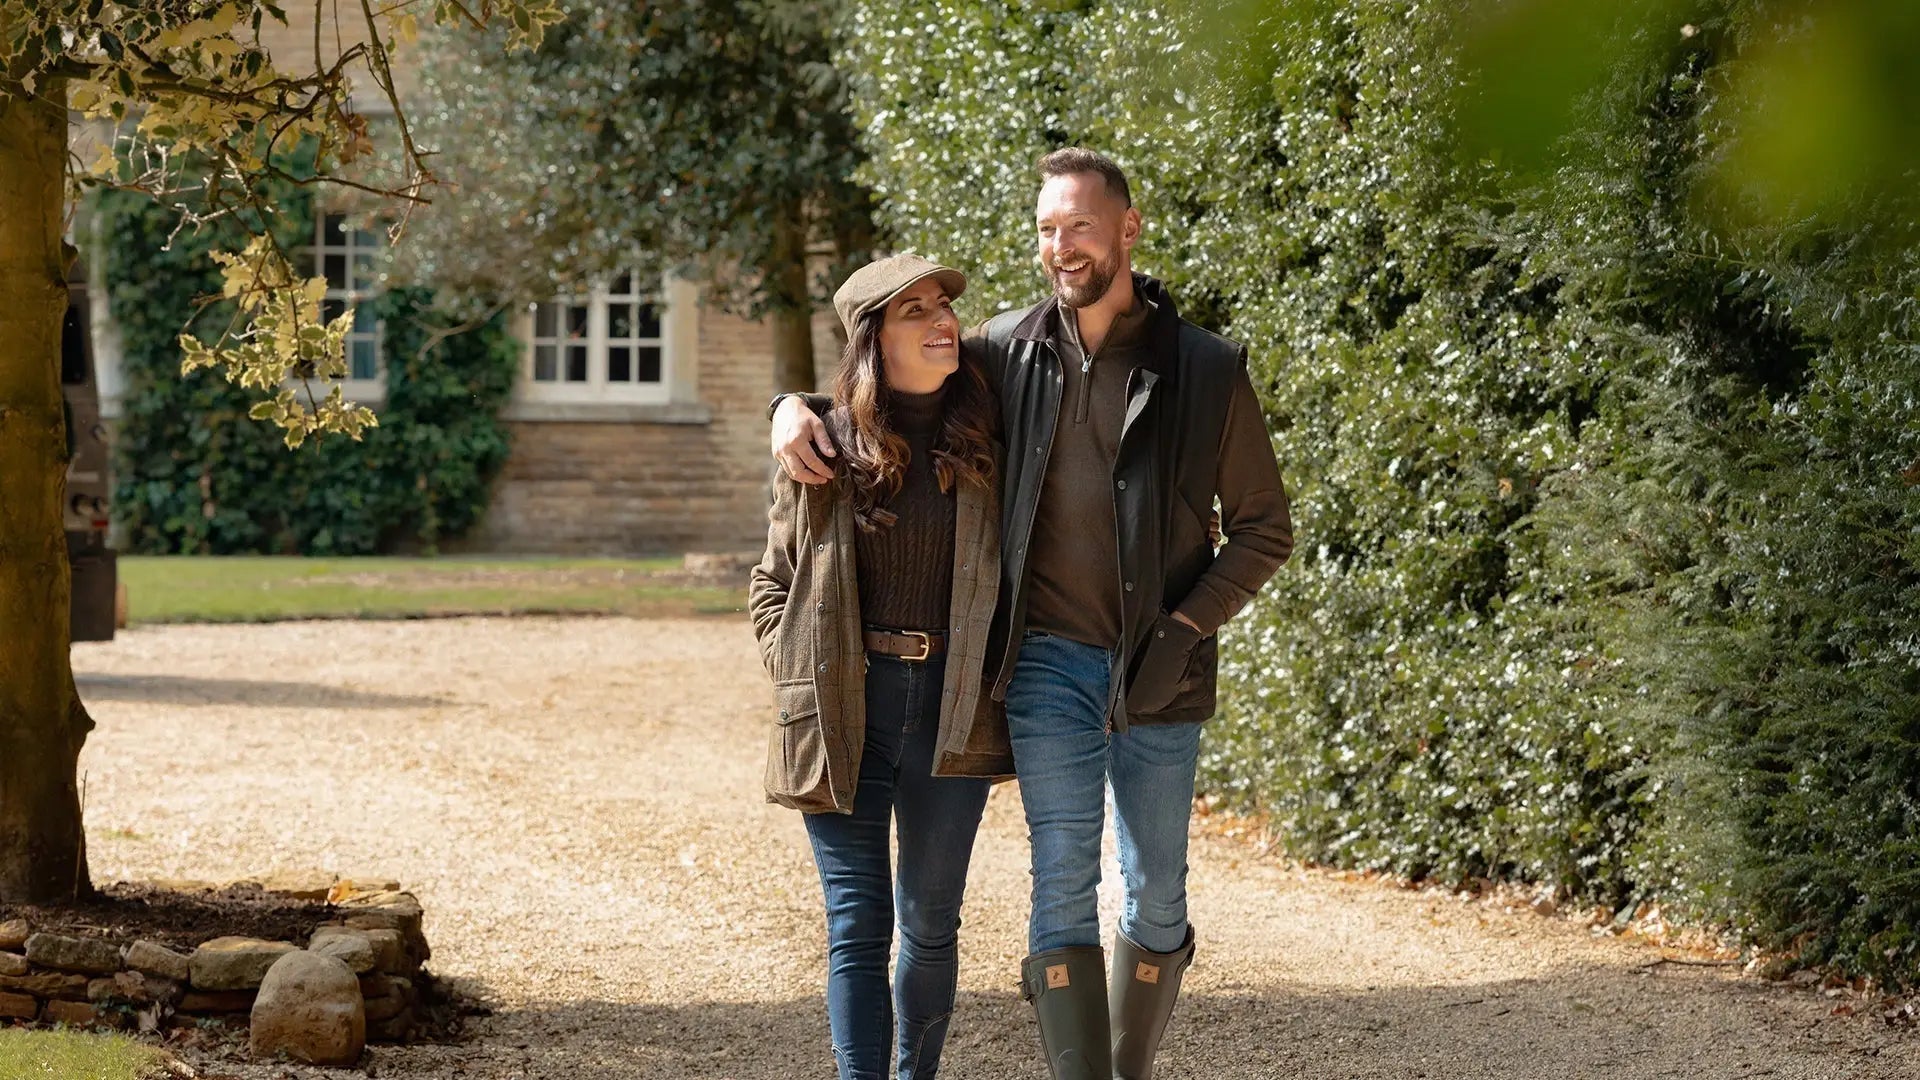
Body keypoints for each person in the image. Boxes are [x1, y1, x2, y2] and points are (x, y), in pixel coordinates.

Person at [771, 149, 1294, 1079]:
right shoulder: (1006, 351)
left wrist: (1182, 632)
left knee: (1156, 893)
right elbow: (879, 379)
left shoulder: (1207, 370)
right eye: (1048, 229)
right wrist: (788, 409)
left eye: (1080, 226)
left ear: (1127, 229)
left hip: (1163, 666)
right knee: (1061, 878)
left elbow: (1263, 530)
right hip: (1044, 661)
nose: (1062, 246)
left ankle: (1125, 1062)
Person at [749, 253, 1013, 1080]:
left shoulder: (992, 436)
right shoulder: (819, 446)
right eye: (916, 312)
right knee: (857, 923)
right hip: (841, 705)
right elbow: (772, 582)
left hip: (952, 703)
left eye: (944, 306)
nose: (943, 322)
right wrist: (796, 670)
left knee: (932, 922)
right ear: (873, 338)